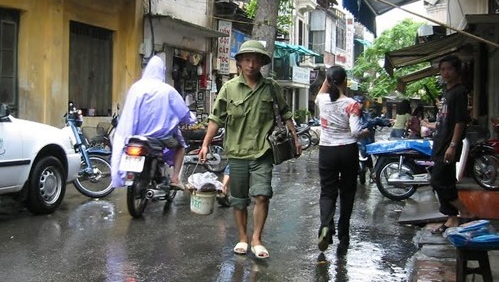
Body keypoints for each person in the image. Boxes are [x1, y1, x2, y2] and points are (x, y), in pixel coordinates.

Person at [198, 40, 301, 259]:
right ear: (240, 63)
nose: (251, 64)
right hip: (236, 153)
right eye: (247, 60)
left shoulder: (271, 87)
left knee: (262, 195)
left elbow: (285, 113)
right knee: (239, 200)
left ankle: (257, 239)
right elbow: (216, 118)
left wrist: (295, 137)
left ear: (262, 63)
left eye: (256, 60)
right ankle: (243, 237)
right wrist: (206, 143)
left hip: (262, 152)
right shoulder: (229, 88)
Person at [111, 55, 196, 190]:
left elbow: (129, 112)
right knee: (181, 146)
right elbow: (183, 112)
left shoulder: (136, 87)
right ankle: (175, 178)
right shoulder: (167, 90)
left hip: (136, 137)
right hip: (161, 138)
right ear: (161, 71)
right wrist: (190, 120)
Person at [315, 66, 370, 253]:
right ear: (345, 81)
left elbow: (323, 91)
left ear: (328, 82)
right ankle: (344, 234)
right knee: (347, 192)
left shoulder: (322, 100)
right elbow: (355, 132)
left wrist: (328, 77)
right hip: (347, 151)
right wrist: (365, 133)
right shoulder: (352, 103)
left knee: (327, 191)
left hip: (327, 151)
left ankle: (325, 225)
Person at [426, 55, 474, 234]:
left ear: (457, 71)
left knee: (438, 181)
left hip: (448, 144)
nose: (445, 73)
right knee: (445, 182)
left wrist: (453, 145)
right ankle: (452, 218)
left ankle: (465, 212)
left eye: (449, 69)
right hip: (440, 143)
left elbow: (460, 121)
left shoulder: (459, 92)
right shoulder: (447, 93)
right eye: (442, 69)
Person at [353, 95, 375, 184]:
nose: (360, 105)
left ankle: (373, 174)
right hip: (352, 140)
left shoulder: (366, 115)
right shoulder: (349, 114)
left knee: (368, 155)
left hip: (364, 140)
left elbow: (370, 125)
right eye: (358, 103)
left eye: (361, 103)